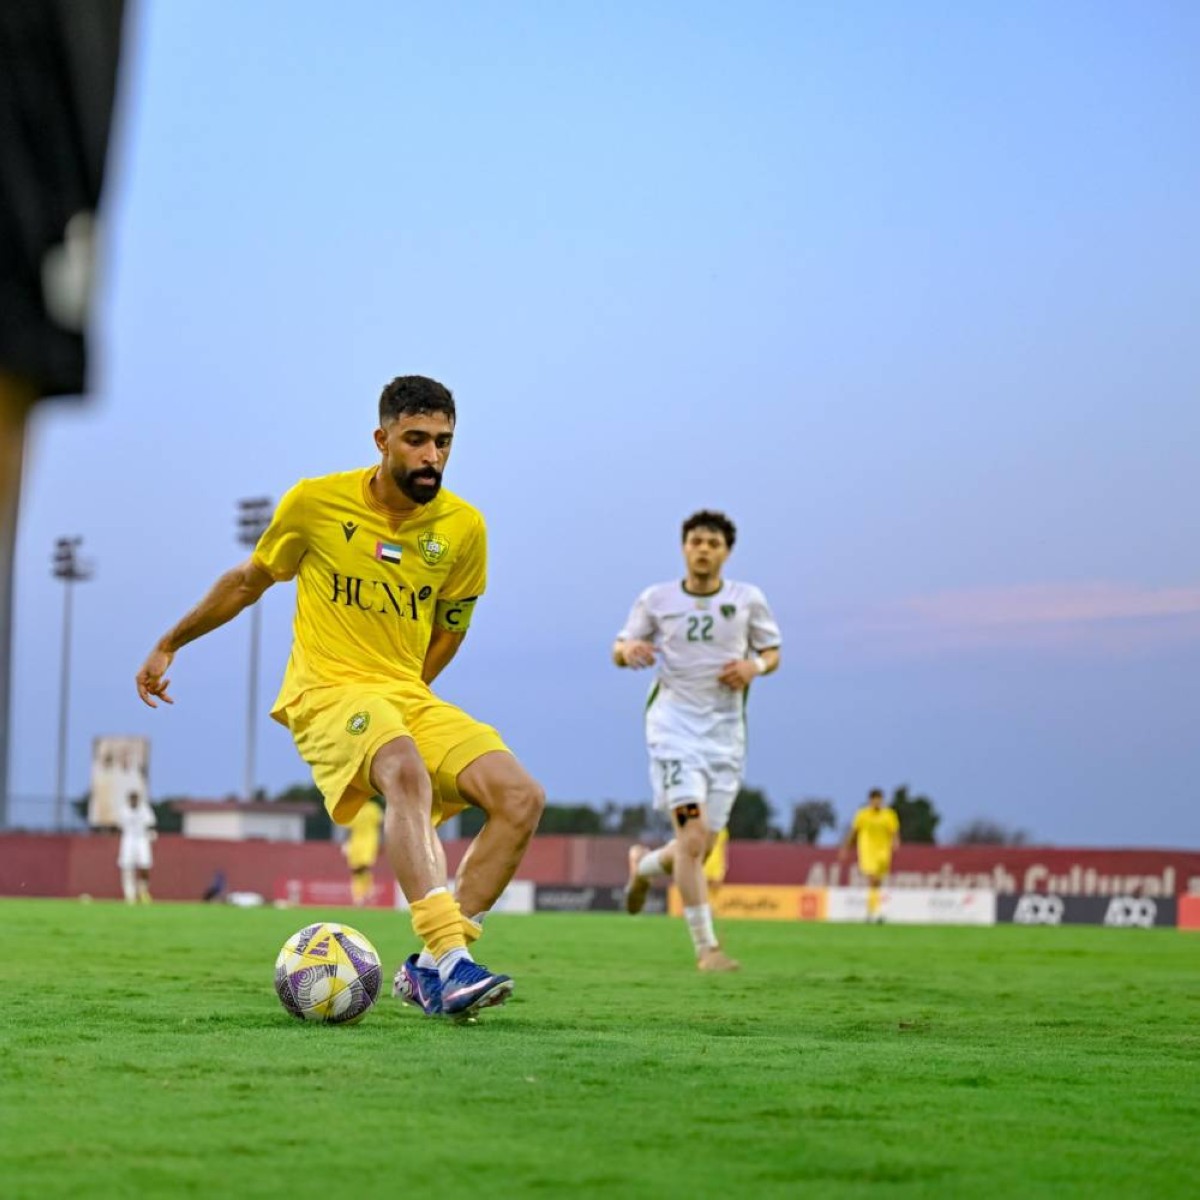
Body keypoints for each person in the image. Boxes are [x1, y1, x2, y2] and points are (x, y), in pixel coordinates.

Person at [135, 376, 545, 1019]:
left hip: (405, 694)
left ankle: (429, 969)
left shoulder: (464, 528)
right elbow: (248, 581)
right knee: (403, 767)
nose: (432, 455)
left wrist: (408, 687)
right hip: (325, 691)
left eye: (443, 442)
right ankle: (450, 957)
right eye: (416, 440)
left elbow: (452, 627)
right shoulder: (315, 502)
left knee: (520, 798)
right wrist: (170, 643)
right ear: (382, 439)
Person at [615, 511, 781, 971]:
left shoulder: (747, 600)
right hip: (674, 730)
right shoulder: (657, 599)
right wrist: (628, 650)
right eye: (696, 542)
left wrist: (754, 667)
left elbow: (772, 653)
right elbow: (619, 648)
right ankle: (707, 948)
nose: (703, 549)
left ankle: (644, 867)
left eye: (713, 543)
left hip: (725, 736)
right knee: (690, 839)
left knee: (701, 848)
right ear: (684, 547)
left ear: (727, 552)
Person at [839, 788, 901, 922]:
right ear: (870, 800)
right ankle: (874, 911)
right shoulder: (862, 814)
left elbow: (894, 831)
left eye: (879, 800)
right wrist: (846, 848)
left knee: (878, 882)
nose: (877, 802)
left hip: (883, 852)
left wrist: (896, 841)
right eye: (874, 800)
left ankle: (872, 909)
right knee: (873, 879)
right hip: (867, 851)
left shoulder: (889, 815)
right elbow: (854, 832)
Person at [116, 789, 155, 904]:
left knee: (145, 865)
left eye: (135, 799)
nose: (134, 801)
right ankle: (129, 895)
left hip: (142, 839)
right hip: (128, 840)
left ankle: (143, 890)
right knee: (127, 867)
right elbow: (119, 826)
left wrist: (151, 833)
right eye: (132, 799)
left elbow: (151, 823)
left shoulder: (144, 810)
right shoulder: (124, 811)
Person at [343, 797, 383, 906]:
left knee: (365, 867)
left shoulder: (373, 808)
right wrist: (346, 843)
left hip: (369, 842)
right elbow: (349, 828)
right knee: (355, 870)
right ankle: (360, 895)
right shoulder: (353, 809)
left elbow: (380, 825)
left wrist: (381, 841)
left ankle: (366, 892)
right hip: (355, 843)